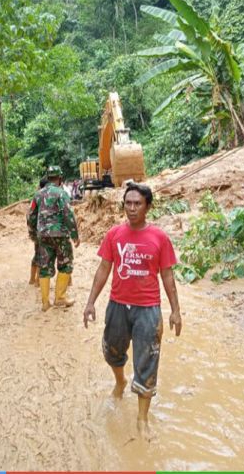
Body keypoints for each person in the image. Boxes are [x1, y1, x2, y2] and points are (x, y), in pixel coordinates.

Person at [82, 182, 182, 435]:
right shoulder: (114, 234)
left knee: (147, 360)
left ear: (148, 206)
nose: (132, 208)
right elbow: (104, 269)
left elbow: (167, 276)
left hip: (148, 309)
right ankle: (120, 381)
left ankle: (142, 418)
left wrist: (175, 310)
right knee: (111, 352)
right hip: (117, 305)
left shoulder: (159, 237)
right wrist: (90, 302)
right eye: (128, 203)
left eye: (138, 203)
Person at [27, 165, 80, 311]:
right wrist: (74, 234)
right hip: (60, 235)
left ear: (47, 177)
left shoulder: (37, 195)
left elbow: (31, 215)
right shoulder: (62, 193)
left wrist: (33, 232)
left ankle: (45, 302)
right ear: (60, 178)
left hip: (42, 235)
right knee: (66, 264)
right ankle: (60, 298)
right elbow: (68, 214)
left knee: (45, 266)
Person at [28, 177, 49, 287]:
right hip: (47, 231)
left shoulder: (36, 197)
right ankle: (37, 280)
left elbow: (30, 215)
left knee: (38, 253)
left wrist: (31, 231)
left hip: (38, 230)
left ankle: (33, 279)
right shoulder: (51, 196)